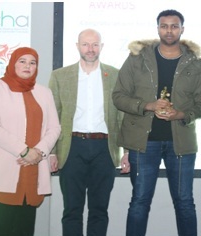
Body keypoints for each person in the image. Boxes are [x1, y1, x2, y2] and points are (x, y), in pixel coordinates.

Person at [112, 9, 201, 236]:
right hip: (143, 143)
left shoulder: (196, 63)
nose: (169, 30)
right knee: (139, 202)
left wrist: (180, 114)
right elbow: (118, 96)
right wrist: (148, 105)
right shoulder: (137, 59)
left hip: (181, 144)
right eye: (164, 26)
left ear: (182, 29)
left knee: (185, 202)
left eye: (174, 26)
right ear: (157, 29)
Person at [0, 47, 61, 236]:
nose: (27, 66)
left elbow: (54, 128)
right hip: (5, 168)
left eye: (32, 62)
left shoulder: (44, 92)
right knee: (2, 228)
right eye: (22, 61)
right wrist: (24, 151)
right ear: (12, 63)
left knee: (25, 229)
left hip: (33, 169)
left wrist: (38, 152)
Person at [48, 29, 124, 236]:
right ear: (77, 46)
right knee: (72, 210)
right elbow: (52, 115)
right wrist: (52, 151)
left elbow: (122, 117)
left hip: (104, 148)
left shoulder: (116, 75)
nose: (90, 49)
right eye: (85, 44)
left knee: (99, 210)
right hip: (72, 147)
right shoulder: (60, 76)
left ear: (102, 47)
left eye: (95, 44)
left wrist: (128, 151)